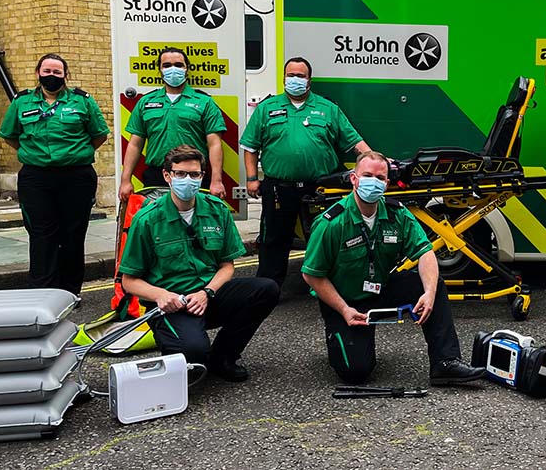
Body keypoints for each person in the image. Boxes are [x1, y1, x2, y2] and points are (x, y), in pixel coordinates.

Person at [302, 152, 485, 386]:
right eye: (367, 175)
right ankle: (345, 340)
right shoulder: (331, 223)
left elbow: (425, 252)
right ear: (354, 179)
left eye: (379, 178)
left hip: (381, 289)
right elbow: (311, 274)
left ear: (387, 184)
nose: (373, 182)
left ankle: (445, 363)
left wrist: (428, 294)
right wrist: (344, 309)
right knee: (356, 373)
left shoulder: (397, 213)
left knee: (431, 283)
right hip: (345, 301)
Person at [119, 145, 279, 381]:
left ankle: (223, 357)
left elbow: (227, 266)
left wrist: (207, 292)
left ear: (202, 175)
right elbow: (129, 281)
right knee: (193, 354)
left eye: (194, 175)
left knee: (266, 289)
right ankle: (184, 346)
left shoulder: (217, 211)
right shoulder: (147, 219)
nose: (188, 180)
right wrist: (161, 295)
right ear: (167, 176)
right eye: (180, 174)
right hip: (171, 304)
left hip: (206, 295)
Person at [241, 56, 373, 286]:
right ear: (283, 78)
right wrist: (252, 178)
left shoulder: (328, 108)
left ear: (309, 81)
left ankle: (330, 283)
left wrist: (373, 161)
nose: (295, 80)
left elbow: (354, 142)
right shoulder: (266, 108)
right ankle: (267, 287)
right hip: (279, 188)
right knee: (274, 238)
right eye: (291, 75)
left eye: (300, 76)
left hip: (320, 187)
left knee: (327, 235)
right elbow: (250, 147)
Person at [0, 53, 109, 294]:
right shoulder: (22, 102)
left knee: (73, 233)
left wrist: (77, 153)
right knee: (41, 234)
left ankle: (70, 291)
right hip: (36, 178)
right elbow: (9, 135)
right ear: (38, 74)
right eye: (47, 72)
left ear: (65, 76)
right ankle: (42, 291)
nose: (52, 76)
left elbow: (99, 133)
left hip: (76, 177)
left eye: (57, 72)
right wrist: (33, 153)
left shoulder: (83, 101)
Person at [119, 46, 228, 202]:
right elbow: (135, 144)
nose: (173, 69)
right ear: (160, 70)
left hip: (193, 175)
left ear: (186, 69)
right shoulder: (146, 102)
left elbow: (214, 144)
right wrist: (125, 180)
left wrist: (216, 181)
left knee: (193, 222)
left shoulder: (205, 102)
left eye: (178, 65)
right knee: (157, 223)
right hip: (157, 176)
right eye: (167, 65)